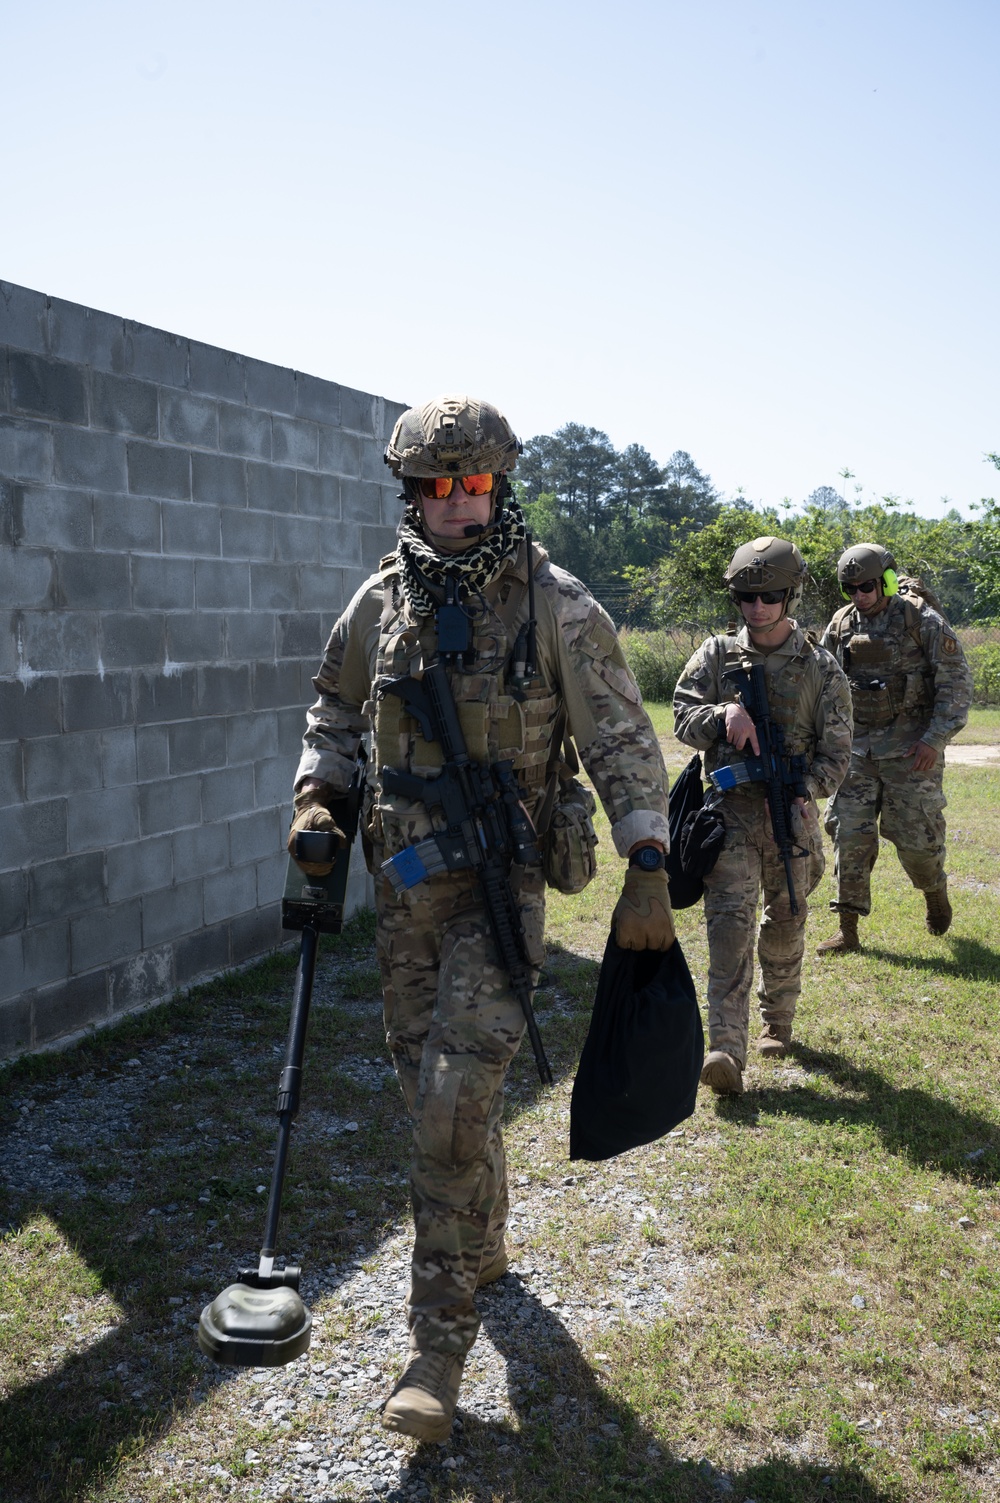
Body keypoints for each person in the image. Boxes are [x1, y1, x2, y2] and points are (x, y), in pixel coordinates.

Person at [287, 395, 674, 1441]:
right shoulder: (378, 603)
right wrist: (318, 798)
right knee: (432, 1087)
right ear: (409, 491)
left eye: (475, 484)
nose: (458, 503)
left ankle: (436, 1345)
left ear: (500, 484)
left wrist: (647, 859)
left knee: (452, 1105)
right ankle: (485, 1244)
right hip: (406, 890)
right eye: (436, 485)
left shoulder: (558, 605)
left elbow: (625, 744)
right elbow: (332, 708)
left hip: (501, 894)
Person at [673, 537, 852, 1095]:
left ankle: (779, 1020)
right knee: (728, 929)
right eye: (747, 597)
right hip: (728, 815)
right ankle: (725, 1046)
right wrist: (723, 713)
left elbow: (838, 749)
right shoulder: (715, 657)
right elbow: (682, 716)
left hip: (790, 816)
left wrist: (810, 789)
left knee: (786, 920)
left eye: (769, 595)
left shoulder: (820, 666)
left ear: (789, 595)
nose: (757, 608)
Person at [815, 544, 973, 952]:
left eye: (866, 586)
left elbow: (955, 685)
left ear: (886, 579)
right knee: (849, 836)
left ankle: (934, 890)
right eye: (849, 587)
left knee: (919, 843)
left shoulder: (923, 621)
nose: (858, 595)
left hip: (911, 752)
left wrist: (933, 740)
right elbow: (825, 686)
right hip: (857, 753)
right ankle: (848, 930)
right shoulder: (841, 624)